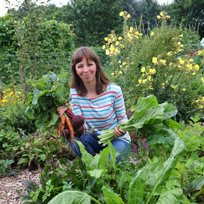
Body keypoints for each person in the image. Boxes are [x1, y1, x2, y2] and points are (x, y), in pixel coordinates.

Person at [57, 46, 131, 163]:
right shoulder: (75, 92)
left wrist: (121, 128)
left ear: (97, 66)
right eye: (80, 66)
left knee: (108, 166)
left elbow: (122, 118)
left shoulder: (114, 90)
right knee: (73, 139)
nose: (86, 70)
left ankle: (99, 167)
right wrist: (64, 116)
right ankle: (92, 166)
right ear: (75, 71)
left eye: (89, 64)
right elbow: (80, 126)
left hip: (117, 140)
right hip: (94, 141)